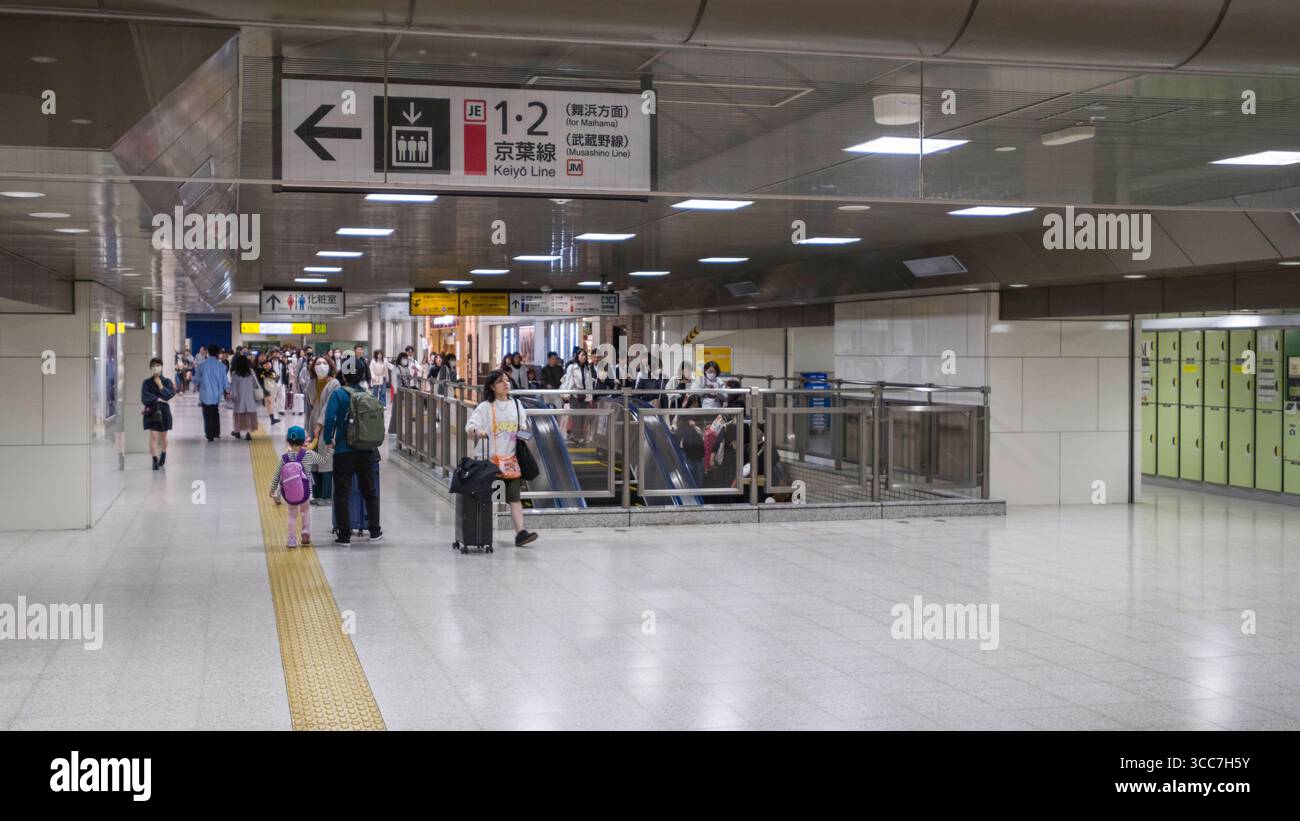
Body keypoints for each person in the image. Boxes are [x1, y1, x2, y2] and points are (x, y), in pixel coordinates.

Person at [465, 370, 538, 547]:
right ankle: (481, 532)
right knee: (485, 498)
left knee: (514, 497)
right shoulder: (486, 407)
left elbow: (524, 429)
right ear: (492, 386)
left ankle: (521, 533)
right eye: (500, 382)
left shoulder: (517, 405)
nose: (506, 384)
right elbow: (470, 425)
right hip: (488, 462)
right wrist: (477, 431)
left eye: (507, 380)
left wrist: (521, 434)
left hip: (511, 461)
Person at [322, 355, 382, 544]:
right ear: (363, 374)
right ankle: (374, 531)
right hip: (366, 450)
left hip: (343, 451)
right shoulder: (368, 394)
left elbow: (330, 418)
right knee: (370, 491)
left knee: (342, 493)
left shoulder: (338, 394)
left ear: (344, 375)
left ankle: (344, 535)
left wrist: (327, 439)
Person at [268, 425, 324, 548]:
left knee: (292, 515)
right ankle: (305, 530)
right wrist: (330, 450)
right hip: (305, 491)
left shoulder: (284, 458)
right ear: (304, 440)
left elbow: (277, 475)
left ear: (288, 440)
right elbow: (323, 460)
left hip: (290, 493)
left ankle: (292, 539)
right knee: (305, 511)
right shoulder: (308, 454)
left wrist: (272, 489)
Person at [304, 355, 339, 506]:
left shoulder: (334, 384)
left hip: (328, 426)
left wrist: (319, 425)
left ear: (330, 366)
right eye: (318, 363)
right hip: (313, 426)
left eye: (324, 363)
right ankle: (317, 494)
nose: (321, 366)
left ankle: (327, 496)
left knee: (326, 459)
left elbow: (329, 407)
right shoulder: (310, 384)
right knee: (313, 460)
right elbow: (308, 409)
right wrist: (308, 429)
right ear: (313, 367)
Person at [141, 357, 176, 470]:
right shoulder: (146, 383)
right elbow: (145, 398)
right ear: (151, 368)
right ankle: (154, 459)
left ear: (161, 367)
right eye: (154, 365)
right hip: (152, 411)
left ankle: (164, 454)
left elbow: (169, 395)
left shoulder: (167, 382)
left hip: (164, 411)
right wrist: (158, 399)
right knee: (153, 436)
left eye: (158, 365)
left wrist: (160, 385)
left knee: (163, 436)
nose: (156, 367)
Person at [561, 348, 597, 444]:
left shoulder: (587, 368)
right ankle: (578, 437)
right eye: (582, 355)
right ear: (577, 356)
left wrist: (590, 397)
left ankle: (579, 436)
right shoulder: (572, 367)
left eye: (585, 355)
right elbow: (568, 381)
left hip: (585, 396)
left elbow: (589, 383)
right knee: (577, 417)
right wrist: (566, 394)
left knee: (584, 417)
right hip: (575, 395)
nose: (584, 357)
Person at [194, 343, 228, 441]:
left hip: (205, 394)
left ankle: (209, 435)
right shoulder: (221, 366)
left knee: (207, 414)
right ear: (217, 353)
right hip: (217, 394)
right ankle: (216, 432)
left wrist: (192, 380)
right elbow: (225, 381)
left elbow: (196, 379)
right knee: (215, 412)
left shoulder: (202, 365)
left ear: (207, 352)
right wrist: (227, 390)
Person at [675, 394, 706, 486]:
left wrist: (695, 425)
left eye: (697, 406)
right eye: (693, 405)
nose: (695, 408)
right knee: (688, 475)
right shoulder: (683, 416)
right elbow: (679, 431)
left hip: (698, 451)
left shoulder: (701, 417)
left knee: (699, 478)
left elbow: (704, 432)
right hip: (686, 450)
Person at [229, 354, 260, 440]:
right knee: (248, 415)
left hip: (239, 397)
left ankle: (237, 431)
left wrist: (234, 397)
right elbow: (255, 384)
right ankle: (248, 433)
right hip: (249, 397)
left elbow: (233, 387)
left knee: (239, 415)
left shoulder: (235, 373)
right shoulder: (251, 372)